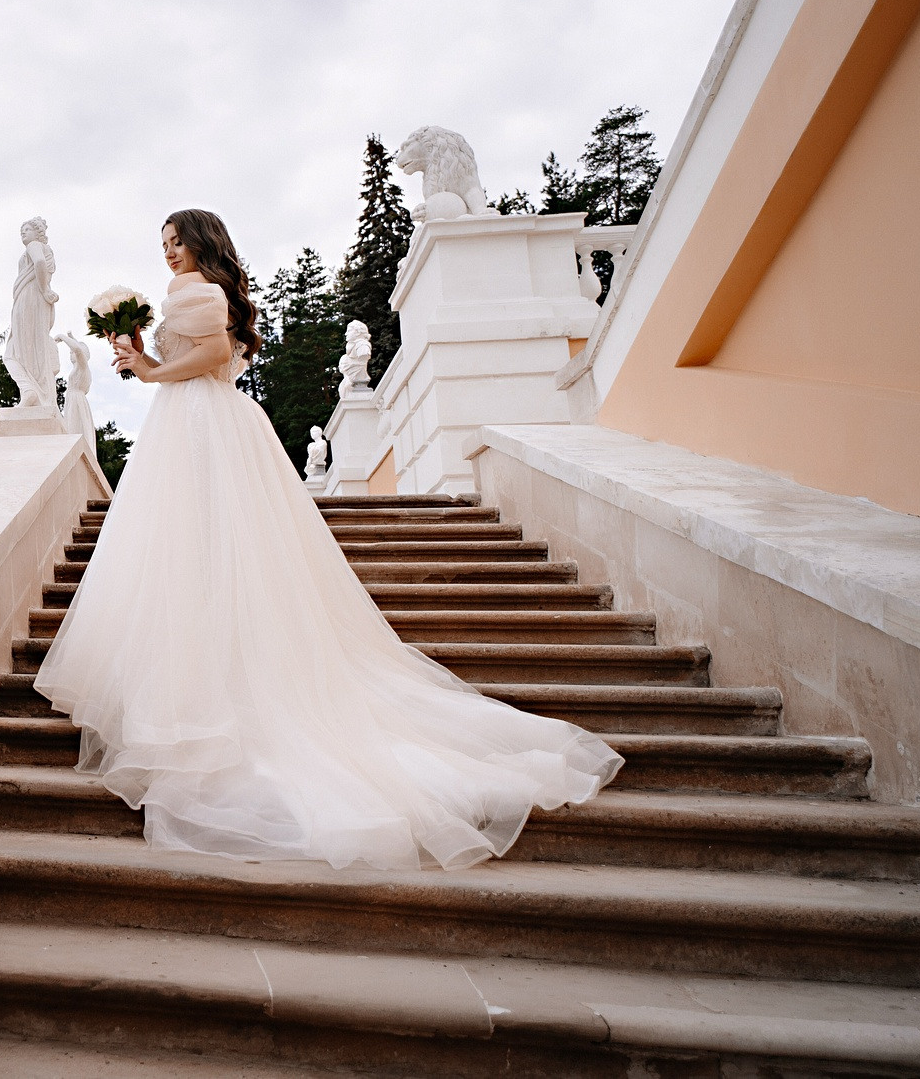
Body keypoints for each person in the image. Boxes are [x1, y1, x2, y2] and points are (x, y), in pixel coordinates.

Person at [33, 209, 619, 869]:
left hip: (204, 423)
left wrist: (149, 370)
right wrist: (138, 353)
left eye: (176, 241)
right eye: (162, 243)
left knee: (217, 550)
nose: (168, 252)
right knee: (188, 556)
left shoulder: (202, 292)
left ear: (201, 242)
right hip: (189, 426)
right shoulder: (183, 294)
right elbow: (190, 357)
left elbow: (216, 356)